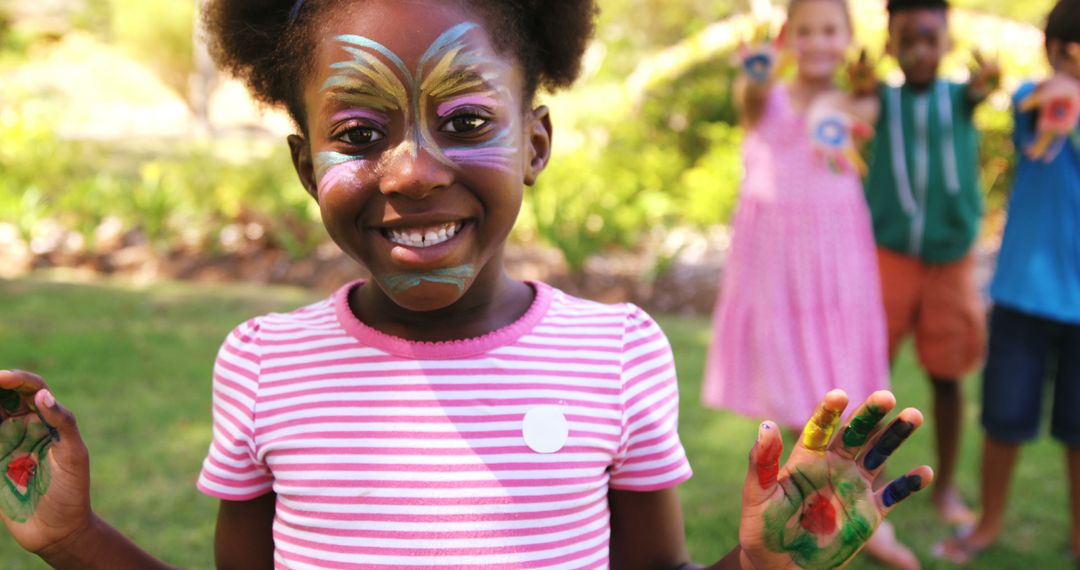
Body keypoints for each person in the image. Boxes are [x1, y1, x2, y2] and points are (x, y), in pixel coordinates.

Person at [0, 0, 933, 568]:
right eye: (359, 136)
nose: (410, 171)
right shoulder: (265, 365)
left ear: (534, 143)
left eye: (466, 119)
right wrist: (72, 538)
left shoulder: (616, 355)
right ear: (302, 161)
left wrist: (763, 564)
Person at [703, 1, 922, 567]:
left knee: (849, 382)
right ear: (787, 37)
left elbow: (863, 112)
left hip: (833, 257)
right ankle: (812, 507)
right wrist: (756, 73)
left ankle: (866, 510)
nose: (819, 42)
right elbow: (751, 103)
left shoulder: (855, 100)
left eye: (831, 31)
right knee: (802, 393)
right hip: (775, 259)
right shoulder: (765, 96)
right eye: (807, 32)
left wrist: (851, 92)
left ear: (848, 36)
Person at [935, 0, 1080, 563]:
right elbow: (1034, 101)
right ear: (1056, 51)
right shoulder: (1037, 100)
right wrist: (1064, 83)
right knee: (1004, 419)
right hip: (1023, 295)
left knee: (1077, 431)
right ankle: (988, 524)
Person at [862, 0, 1000, 529]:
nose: (920, 52)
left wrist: (989, 78)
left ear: (946, 43)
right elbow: (850, 101)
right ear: (891, 43)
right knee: (873, 376)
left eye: (930, 39)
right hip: (889, 254)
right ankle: (865, 482)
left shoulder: (961, 98)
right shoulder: (880, 99)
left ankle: (945, 487)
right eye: (908, 40)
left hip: (950, 258)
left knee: (948, 375)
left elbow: (984, 86)